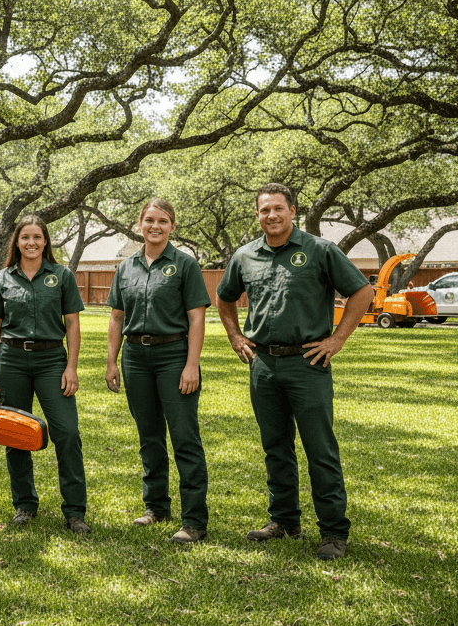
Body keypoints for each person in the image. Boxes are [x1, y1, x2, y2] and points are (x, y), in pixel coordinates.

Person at [214, 183, 374, 561]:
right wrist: (235, 336)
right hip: (263, 365)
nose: (271, 215)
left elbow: (362, 292)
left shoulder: (320, 250)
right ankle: (284, 520)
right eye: (264, 210)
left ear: (292, 211)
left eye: (278, 208)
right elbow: (223, 297)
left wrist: (336, 340)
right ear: (257, 214)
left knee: (320, 449)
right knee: (275, 447)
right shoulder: (245, 256)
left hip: (308, 364)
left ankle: (333, 531)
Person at [105, 198, 212, 544]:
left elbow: (197, 318)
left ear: (172, 227)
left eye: (163, 221)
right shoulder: (126, 267)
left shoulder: (185, 265)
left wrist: (191, 365)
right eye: (150, 220)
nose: (156, 226)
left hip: (173, 356)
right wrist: (111, 361)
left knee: (184, 438)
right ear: (140, 223)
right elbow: (116, 317)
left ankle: (194, 520)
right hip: (135, 358)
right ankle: (157, 507)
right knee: (149, 436)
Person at [0, 214, 89, 534]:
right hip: (10, 360)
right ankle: (24, 504)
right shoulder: (2, 279)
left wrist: (71, 367)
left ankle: (75, 511)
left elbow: (72, 324)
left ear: (45, 241)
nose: (31, 242)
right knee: (15, 433)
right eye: (25, 237)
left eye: (37, 237)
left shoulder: (62, 276)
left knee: (66, 432)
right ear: (16, 242)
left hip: (52, 360)